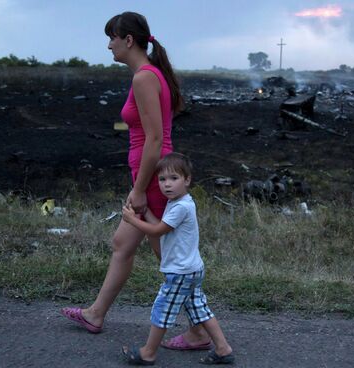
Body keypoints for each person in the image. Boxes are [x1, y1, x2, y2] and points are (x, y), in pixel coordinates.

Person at [60, 11, 211, 349]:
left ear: (129, 40)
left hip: (152, 181)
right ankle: (95, 314)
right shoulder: (152, 74)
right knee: (122, 244)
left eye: (112, 37)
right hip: (148, 177)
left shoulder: (144, 77)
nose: (109, 45)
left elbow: (155, 140)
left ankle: (201, 332)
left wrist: (140, 189)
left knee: (172, 262)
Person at [120, 153, 235, 365]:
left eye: (174, 178)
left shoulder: (181, 207)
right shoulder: (179, 202)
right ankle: (223, 348)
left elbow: (156, 230)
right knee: (199, 308)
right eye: (162, 179)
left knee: (162, 308)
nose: (167, 184)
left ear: (187, 180)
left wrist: (131, 220)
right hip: (190, 269)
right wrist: (144, 211)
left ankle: (148, 353)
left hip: (181, 271)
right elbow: (162, 228)